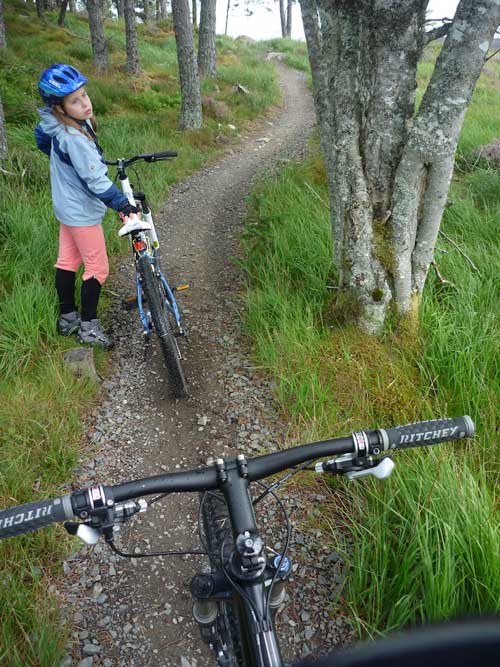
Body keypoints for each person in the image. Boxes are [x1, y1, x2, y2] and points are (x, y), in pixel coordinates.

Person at [34, 63, 146, 348]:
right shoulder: (74, 139)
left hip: (66, 207)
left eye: (84, 95)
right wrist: (122, 203)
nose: (84, 103)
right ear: (60, 107)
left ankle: (68, 319)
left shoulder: (55, 126)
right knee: (97, 268)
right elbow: (96, 182)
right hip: (81, 213)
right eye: (74, 100)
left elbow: (46, 144)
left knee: (67, 261)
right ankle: (88, 327)